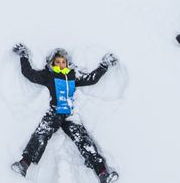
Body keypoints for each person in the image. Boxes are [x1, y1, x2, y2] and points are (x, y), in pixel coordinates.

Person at [10, 45, 119, 183]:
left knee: (84, 141)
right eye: (57, 62)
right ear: (52, 63)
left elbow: (91, 79)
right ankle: (24, 163)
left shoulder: (73, 75)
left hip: (70, 116)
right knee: (41, 134)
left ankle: (102, 173)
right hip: (55, 112)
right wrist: (23, 57)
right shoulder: (49, 75)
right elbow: (29, 74)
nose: (61, 65)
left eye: (63, 62)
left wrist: (104, 66)